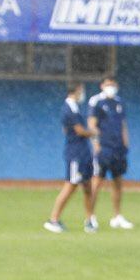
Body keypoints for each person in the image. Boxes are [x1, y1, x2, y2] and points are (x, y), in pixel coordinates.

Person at [44, 82, 98, 233]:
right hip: (75, 154)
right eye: (82, 90)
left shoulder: (74, 108)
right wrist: (95, 133)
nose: (83, 94)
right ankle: (53, 220)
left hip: (83, 152)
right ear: (77, 90)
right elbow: (80, 131)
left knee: (87, 186)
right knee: (71, 185)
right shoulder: (68, 109)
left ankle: (90, 219)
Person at [87, 75, 135, 229]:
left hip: (118, 149)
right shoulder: (96, 101)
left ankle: (117, 216)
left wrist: (126, 143)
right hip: (104, 148)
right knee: (96, 182)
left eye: (113, 84)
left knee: (118, 182)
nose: (110, 87)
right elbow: (91, 124)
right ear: (102, 85)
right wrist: (96, 144)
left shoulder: (119, 102)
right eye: (108, 84)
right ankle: (90, 216)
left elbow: (123, 125)